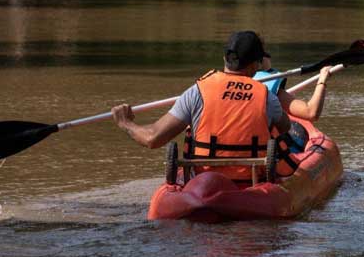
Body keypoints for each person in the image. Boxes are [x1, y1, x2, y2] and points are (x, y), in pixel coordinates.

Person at [111, 31, 291, 181]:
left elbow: (152, 138)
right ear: (256, 65)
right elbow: (285, 126)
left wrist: (126, 123)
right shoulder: (266, 97)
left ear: (224, 58)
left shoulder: (197, 92)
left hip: (203, 184)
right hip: (250, 182)